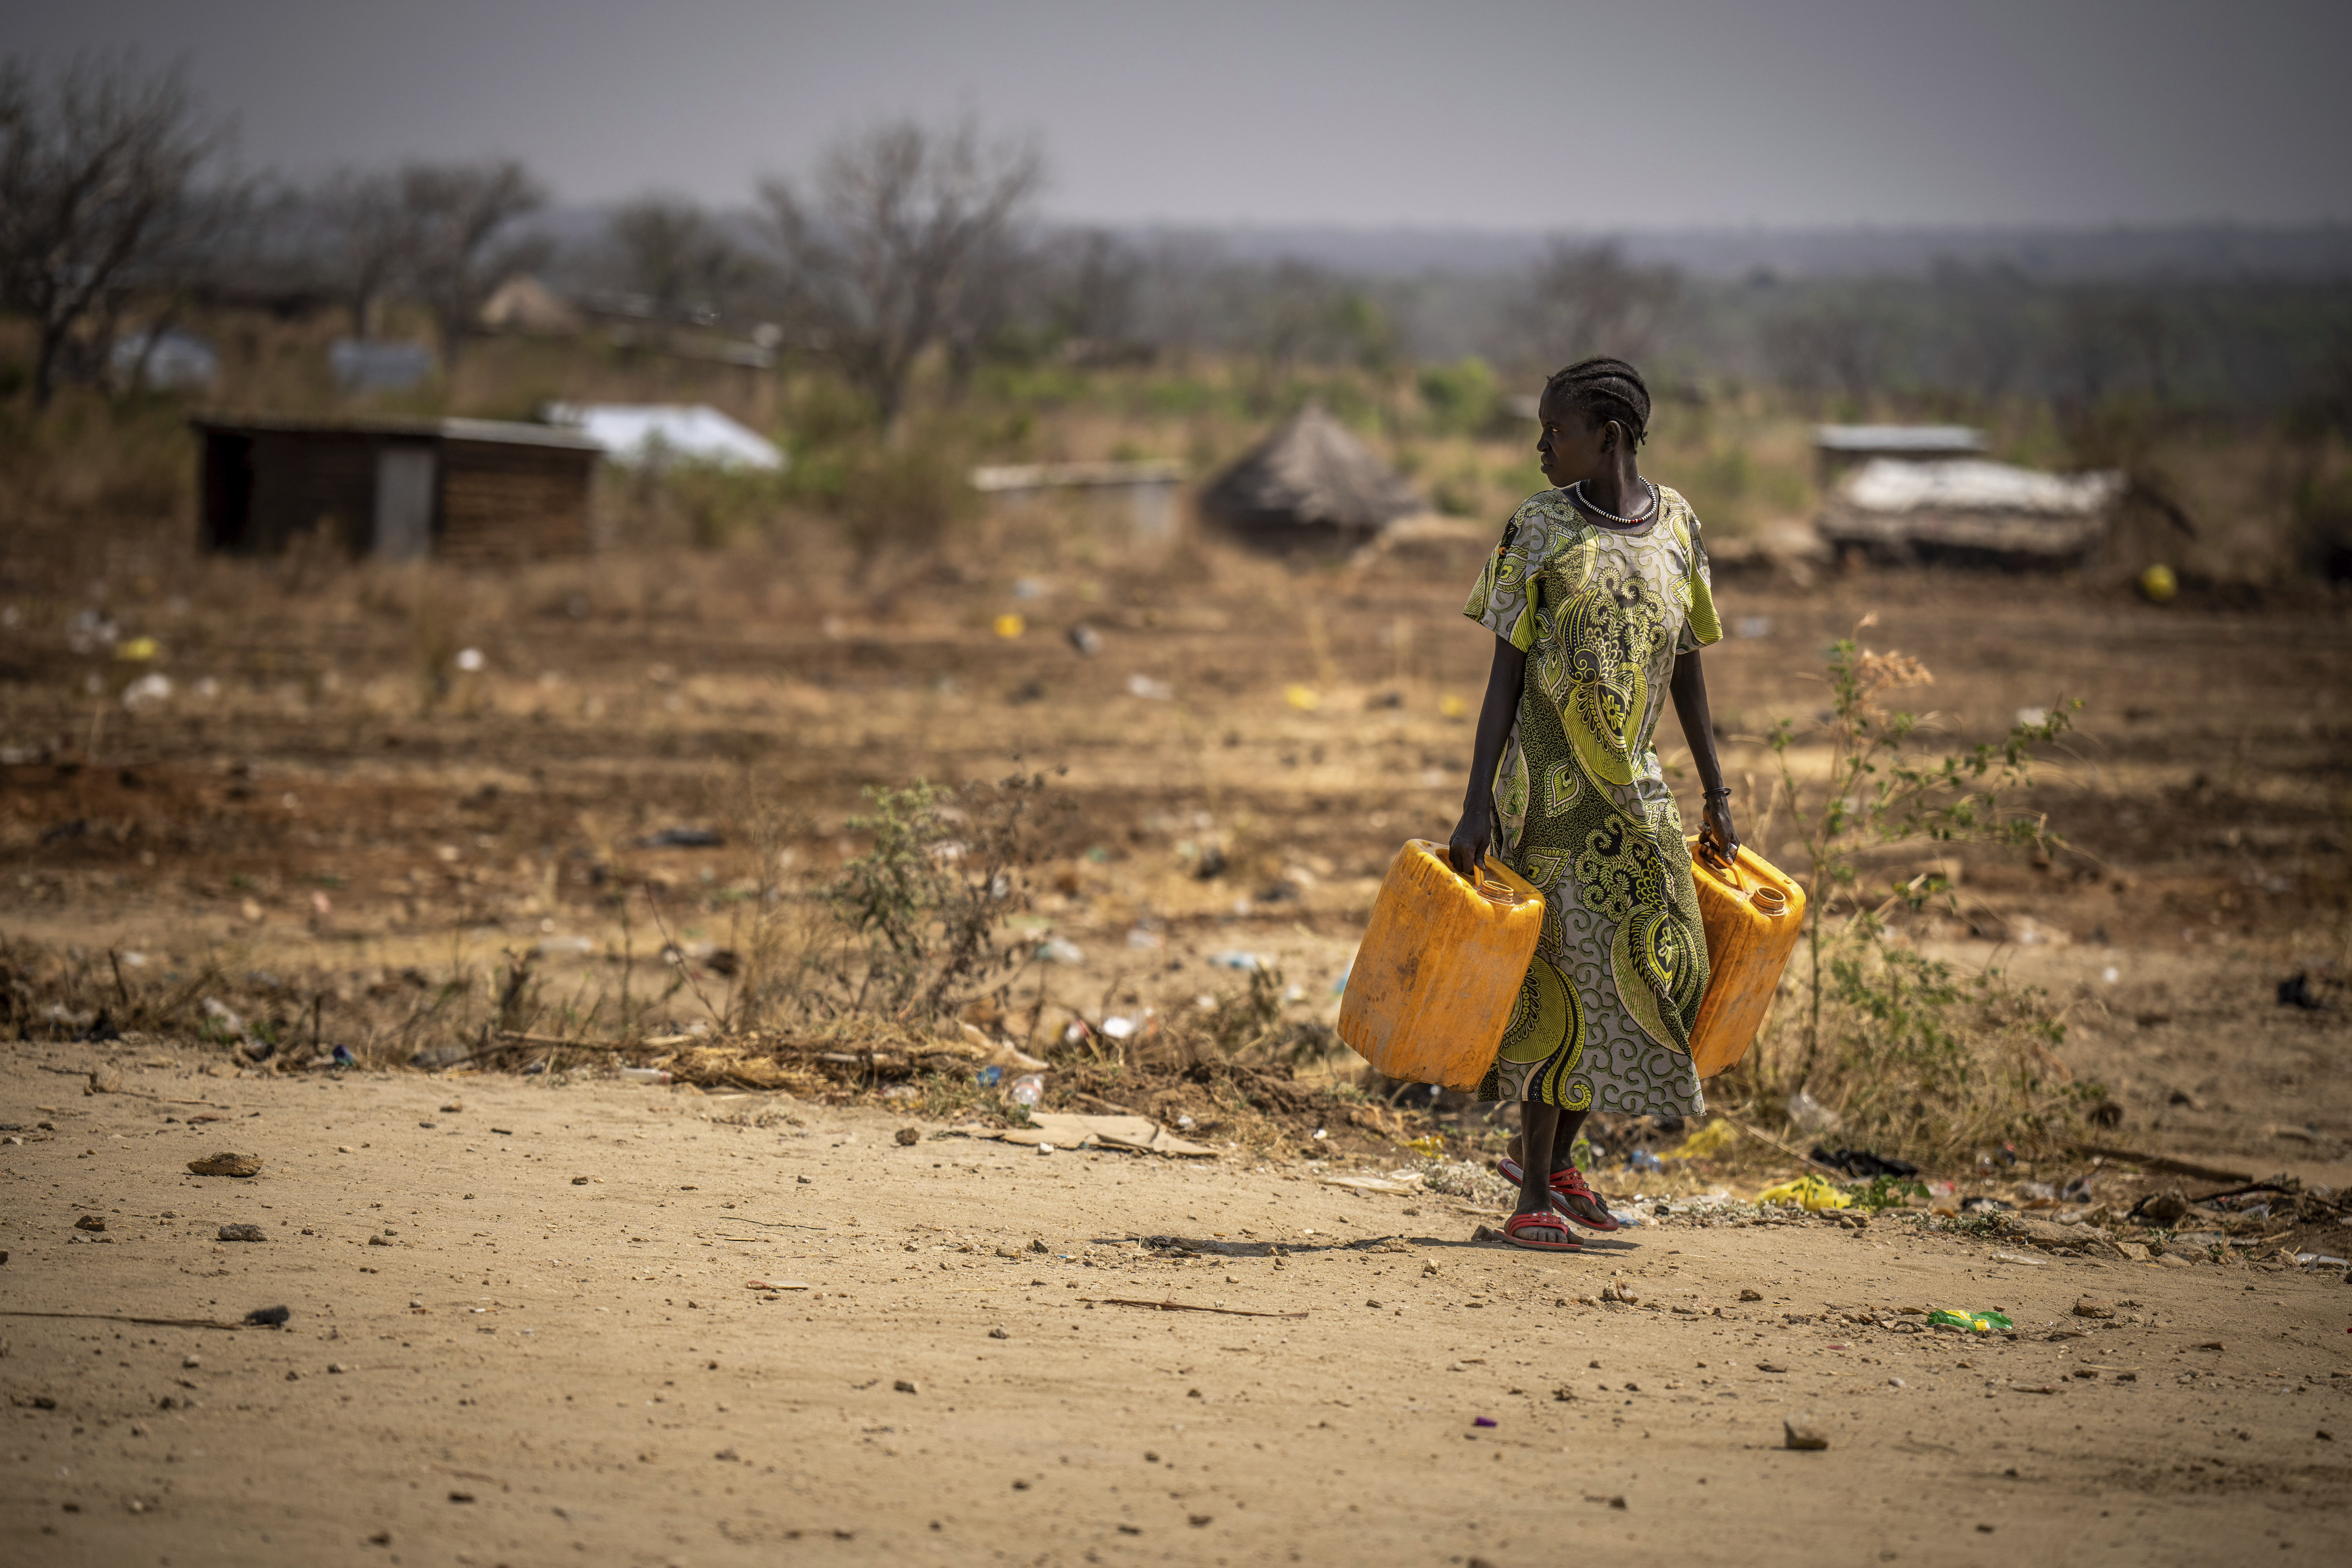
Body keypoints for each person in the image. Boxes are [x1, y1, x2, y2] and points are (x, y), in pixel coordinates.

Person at [1448, 357, 1739, 1252]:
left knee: (1669, 968)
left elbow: (1688, 665)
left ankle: (1560, 1163)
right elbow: (1503, 680)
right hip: (1546, 794)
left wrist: (1718, 792)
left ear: (1607, 436)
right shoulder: (1536, 528)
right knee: (1557, 986)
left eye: (1555, 431)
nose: (1541, 446)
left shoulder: (1679, 523)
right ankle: (1531, 1191)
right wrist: (1473, 807)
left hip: (1634, 791)